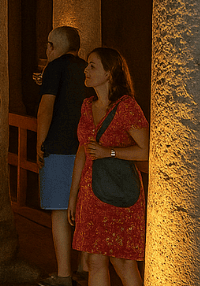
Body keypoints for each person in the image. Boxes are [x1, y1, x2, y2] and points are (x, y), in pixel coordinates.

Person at [69, 47, 149, 286]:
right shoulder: (87, 105)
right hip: (91, 193)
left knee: (122, 261)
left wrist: (108, 153)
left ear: (109, 73)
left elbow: (146, 150)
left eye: (92, 65)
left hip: (119, 194)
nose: (86, 69)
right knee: (95, 260)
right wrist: (73, 195)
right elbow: (83, 151)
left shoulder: (127, 107)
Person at [36, 26, 94, 286]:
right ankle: (84, 268)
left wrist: (41, 143)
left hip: (59, 148)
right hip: (86, 149)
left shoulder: (54, 68)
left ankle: (63, 274)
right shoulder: (88, 70)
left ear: (52, 46)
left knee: (59, 212)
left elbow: (46, 107)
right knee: (81, 209)